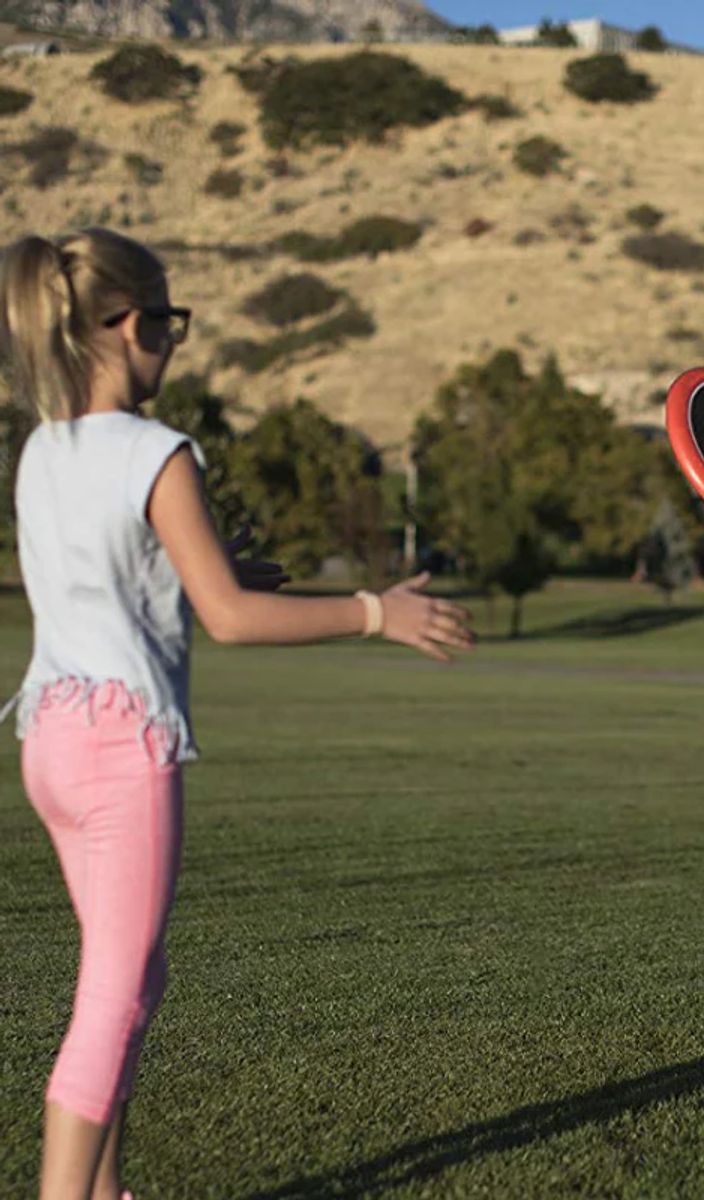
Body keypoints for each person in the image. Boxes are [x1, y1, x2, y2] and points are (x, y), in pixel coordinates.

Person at [0, 228, 474, 1200]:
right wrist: (378, 611)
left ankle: (101, 1190)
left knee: (130, 982)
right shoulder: (158, 450)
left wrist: (198, 574)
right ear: (124, 326)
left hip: (47, 739)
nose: (171, 345)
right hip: (123, 749)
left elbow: (109, 585)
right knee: (114, 995)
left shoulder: (44, 450)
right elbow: (229, 618)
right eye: (166, 323)